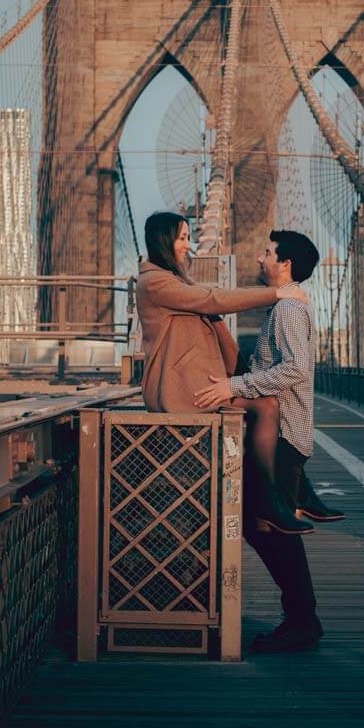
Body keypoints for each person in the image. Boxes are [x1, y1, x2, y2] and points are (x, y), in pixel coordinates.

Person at [194, 229, 341, 653]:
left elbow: (295, 369)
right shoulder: (287, 306)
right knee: (267, 529)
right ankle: (301, 618)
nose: (260, 259)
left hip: (280, 438)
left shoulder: (289, 311)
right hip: (280, 437)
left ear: (286, 264)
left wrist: (232, 386)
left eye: (267, 253)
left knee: (271, 531)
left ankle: (302, 621)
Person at [136, 211, 309, 534]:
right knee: (266, 404)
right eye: (183, 238)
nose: (188, 245)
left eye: (189, 237)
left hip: (198, 383)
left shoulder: (173, 279)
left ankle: (285, 495)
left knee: (269, 402)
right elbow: (212, 299)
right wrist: (276, 293)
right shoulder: (155, 282)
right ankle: (273, 501)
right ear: (164, 240)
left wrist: (240, 379)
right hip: (180, 389)